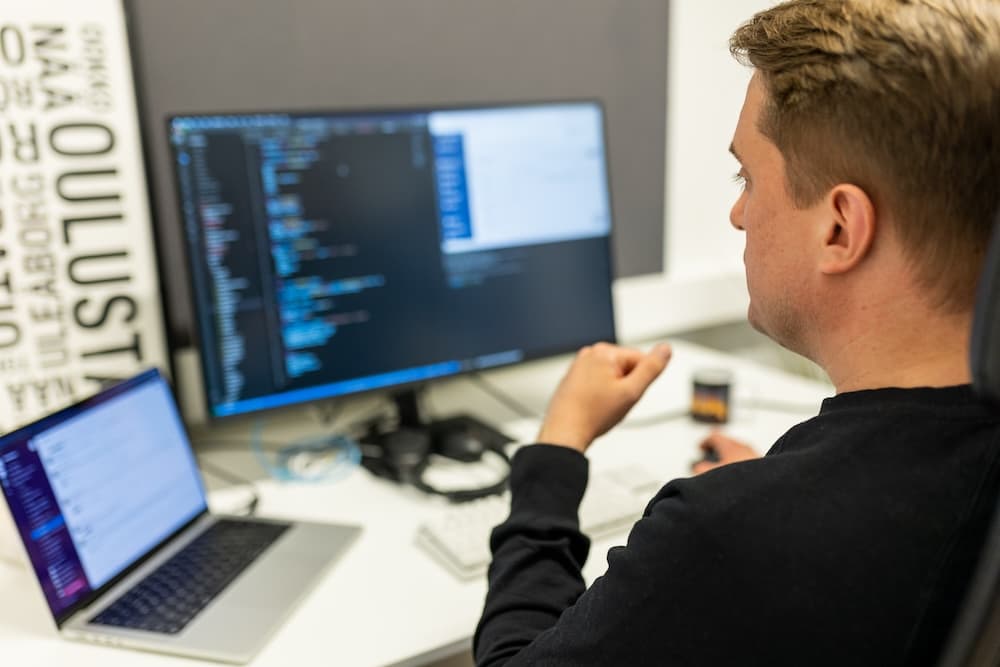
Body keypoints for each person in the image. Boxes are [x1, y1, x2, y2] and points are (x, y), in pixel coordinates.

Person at [473, 1, 1000, 665]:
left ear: (839, 227)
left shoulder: (731, 534)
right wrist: (782, 491)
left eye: (747, 176)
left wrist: (557, 447)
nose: (737, 213)